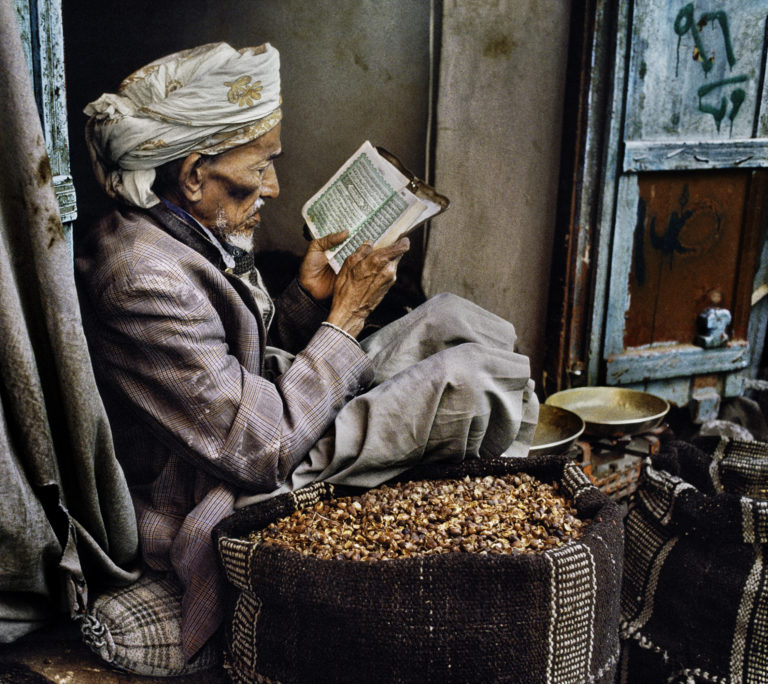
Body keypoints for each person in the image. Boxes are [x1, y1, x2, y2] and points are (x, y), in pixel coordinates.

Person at [76, 42, 537, 661]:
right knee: (467, 379)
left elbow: (233, 370)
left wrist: (306, 297)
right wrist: (346, 318)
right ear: (191, 175)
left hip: (255, 427)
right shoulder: (140, 278)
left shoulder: (174, 229)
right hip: (218, 489)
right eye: (260, 165)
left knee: (452, 318)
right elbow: (260, 447)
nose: (273, 185)